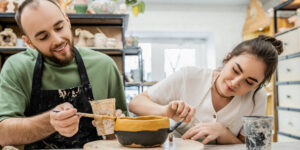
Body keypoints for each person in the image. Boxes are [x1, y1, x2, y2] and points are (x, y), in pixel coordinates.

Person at [0, 0, 128, 149]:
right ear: (29, 43)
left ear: (67, 21)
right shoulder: (17, 67)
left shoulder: (104, 66)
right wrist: (50, 122)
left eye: (59, 27)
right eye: (43, 37)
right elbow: (3, 134)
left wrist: (117, 128)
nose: (58, 40)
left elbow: (122, 134)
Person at [129, 35, 283, 144]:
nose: (236, 83)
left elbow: (249, 145)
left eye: (249, 82)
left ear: (258, 85)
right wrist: (164, 111)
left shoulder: (257, 97)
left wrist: (223, 133)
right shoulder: (189, 76)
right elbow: (136, 103)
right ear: (228, 58)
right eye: (235, 70)